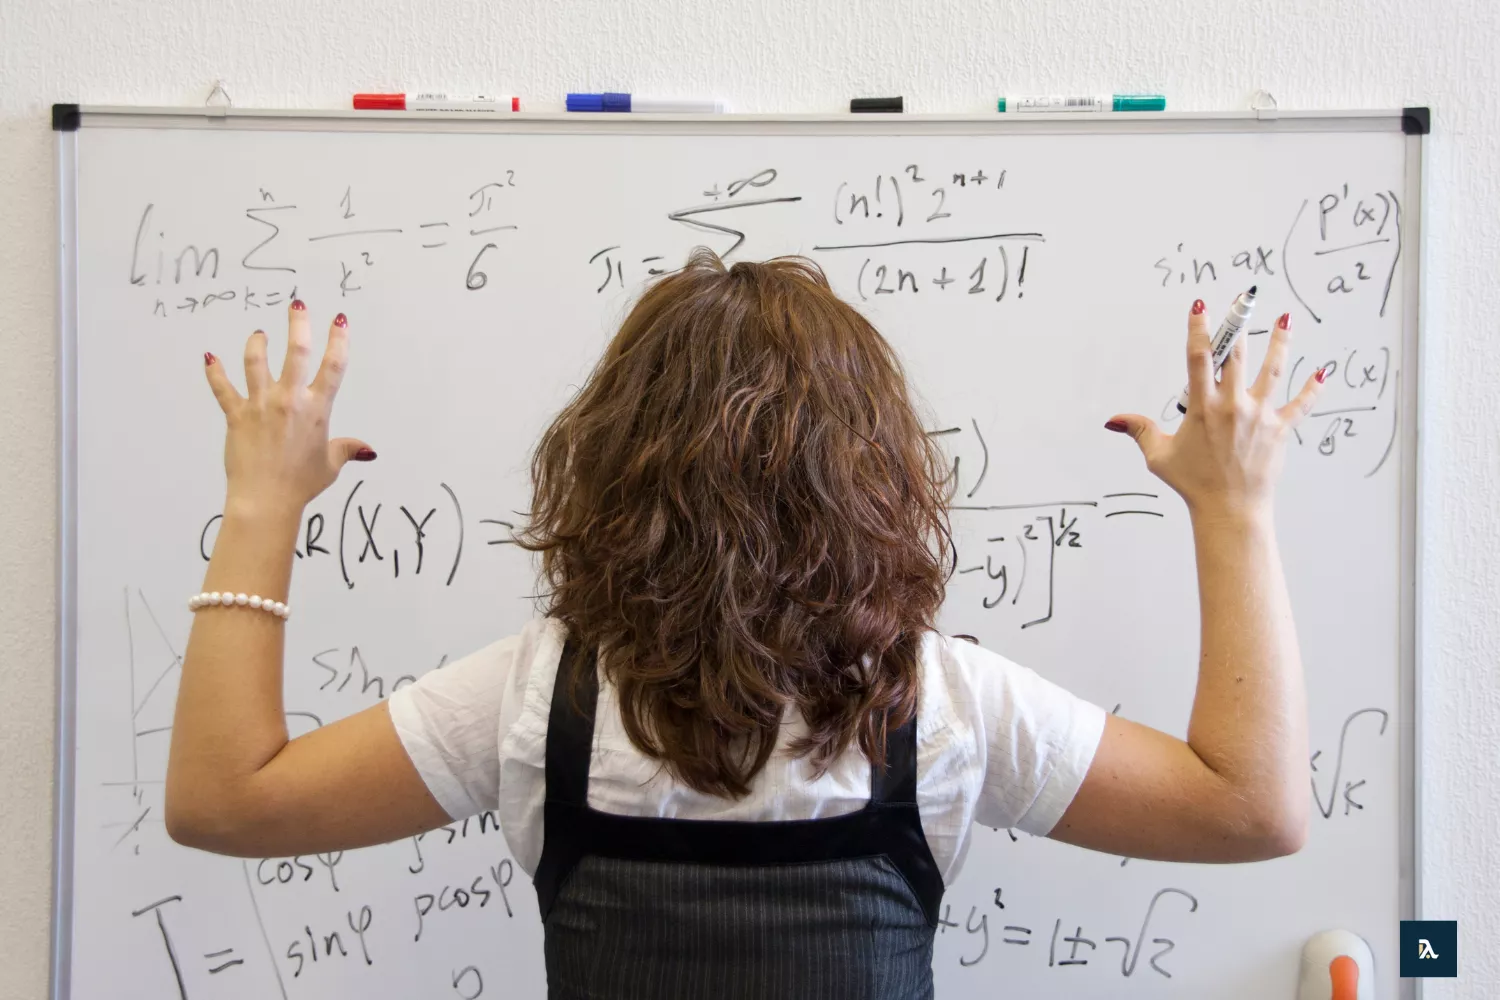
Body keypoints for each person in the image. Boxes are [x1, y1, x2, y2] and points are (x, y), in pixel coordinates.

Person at [167, 250, 1326, 999]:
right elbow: (1252, 807)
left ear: (615, 467)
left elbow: (228, 798)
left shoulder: (538, 700)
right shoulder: (946, 707)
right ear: (870, 474)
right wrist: (1235, 510)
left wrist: (262, 503)